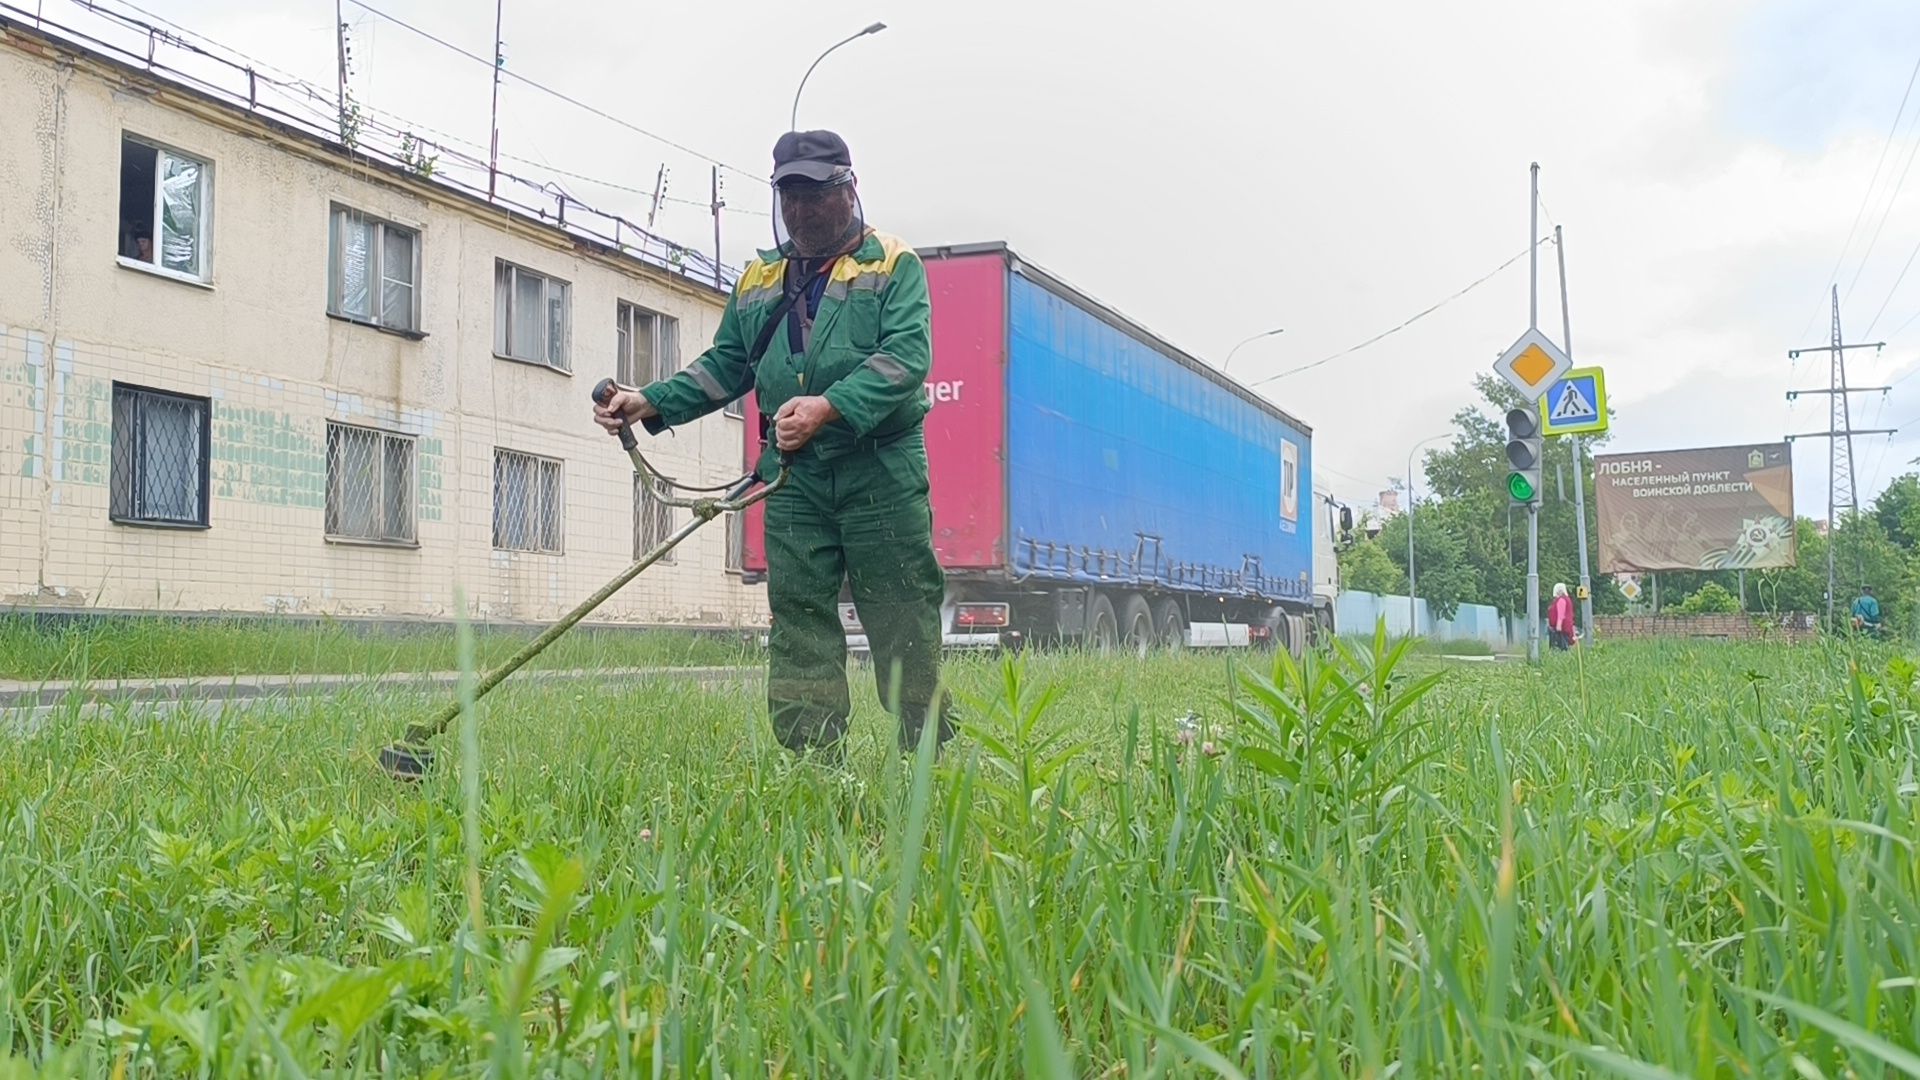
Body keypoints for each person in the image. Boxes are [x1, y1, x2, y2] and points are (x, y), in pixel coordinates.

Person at [593, 129, 954, 761]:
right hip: (795, 482)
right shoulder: (759, 279)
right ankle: (814, 766)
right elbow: (727, 365)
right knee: (800, 625)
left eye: (815, 191)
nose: (801, 207)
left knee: (903, 619)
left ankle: (929, 759)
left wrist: (827, 407)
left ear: (848, 189)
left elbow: (905, 359)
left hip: (881, 476)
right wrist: (648, 401)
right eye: (789, 193)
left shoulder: (893, 265)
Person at [1547, 582, 1576, 650]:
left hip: (1562, 629)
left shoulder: (1561, 600)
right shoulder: (1567, 599)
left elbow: (1561, 614)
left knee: (1561, 646)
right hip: (1566, 627)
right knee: (1564, 645)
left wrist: (1558, 626)